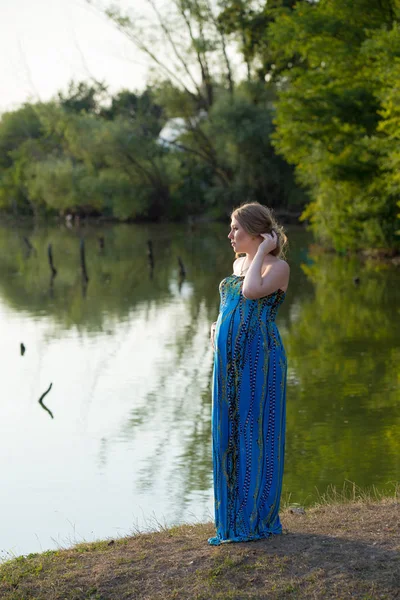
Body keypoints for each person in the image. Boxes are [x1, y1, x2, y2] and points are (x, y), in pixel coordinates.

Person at [208, 202, 290, 546]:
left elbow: (251, 291)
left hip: (260, 359)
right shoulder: (238, 263)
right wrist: (215, 329)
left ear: (258, 234)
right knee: (227, 432)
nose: (230, 235)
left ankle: (255, 518)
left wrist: (264, 252)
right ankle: (231, 519)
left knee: (256, 431)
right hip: (227, 360)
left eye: (236, 229)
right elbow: (230, 304)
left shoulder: (277, 267)